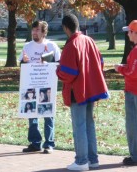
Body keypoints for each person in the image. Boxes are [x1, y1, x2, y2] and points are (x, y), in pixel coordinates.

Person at [56, 14, 109, 171]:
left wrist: (57, 70)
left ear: (66, 28)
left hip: (77, 91)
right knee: (89, 124)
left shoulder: (72, 45)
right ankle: (93, 159)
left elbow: (68, 72)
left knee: (79, 126)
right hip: (90, 89)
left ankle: (81, 161)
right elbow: (100, 62)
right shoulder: (89, 40)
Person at [19, 20, 61, 154]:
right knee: (32, 114)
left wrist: (48, 62)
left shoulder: (52, 46)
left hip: (47, 84)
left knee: (48, 113)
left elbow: (59, 63)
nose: (34, 32)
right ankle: (35, 142)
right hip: (31, 84)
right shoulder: (27, 46)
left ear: (44, 32)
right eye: (33, 30)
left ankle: (49, 143)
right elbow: (21, 66)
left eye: (37, 30)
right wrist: (23, 61)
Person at [114, 20, 137, 166]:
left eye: (129, 31)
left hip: (133, 91)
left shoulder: (135, 51)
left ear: (135, 33)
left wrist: (120, 69)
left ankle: (134, 156)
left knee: (132, 124)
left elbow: (133, 72)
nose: (127, 34)